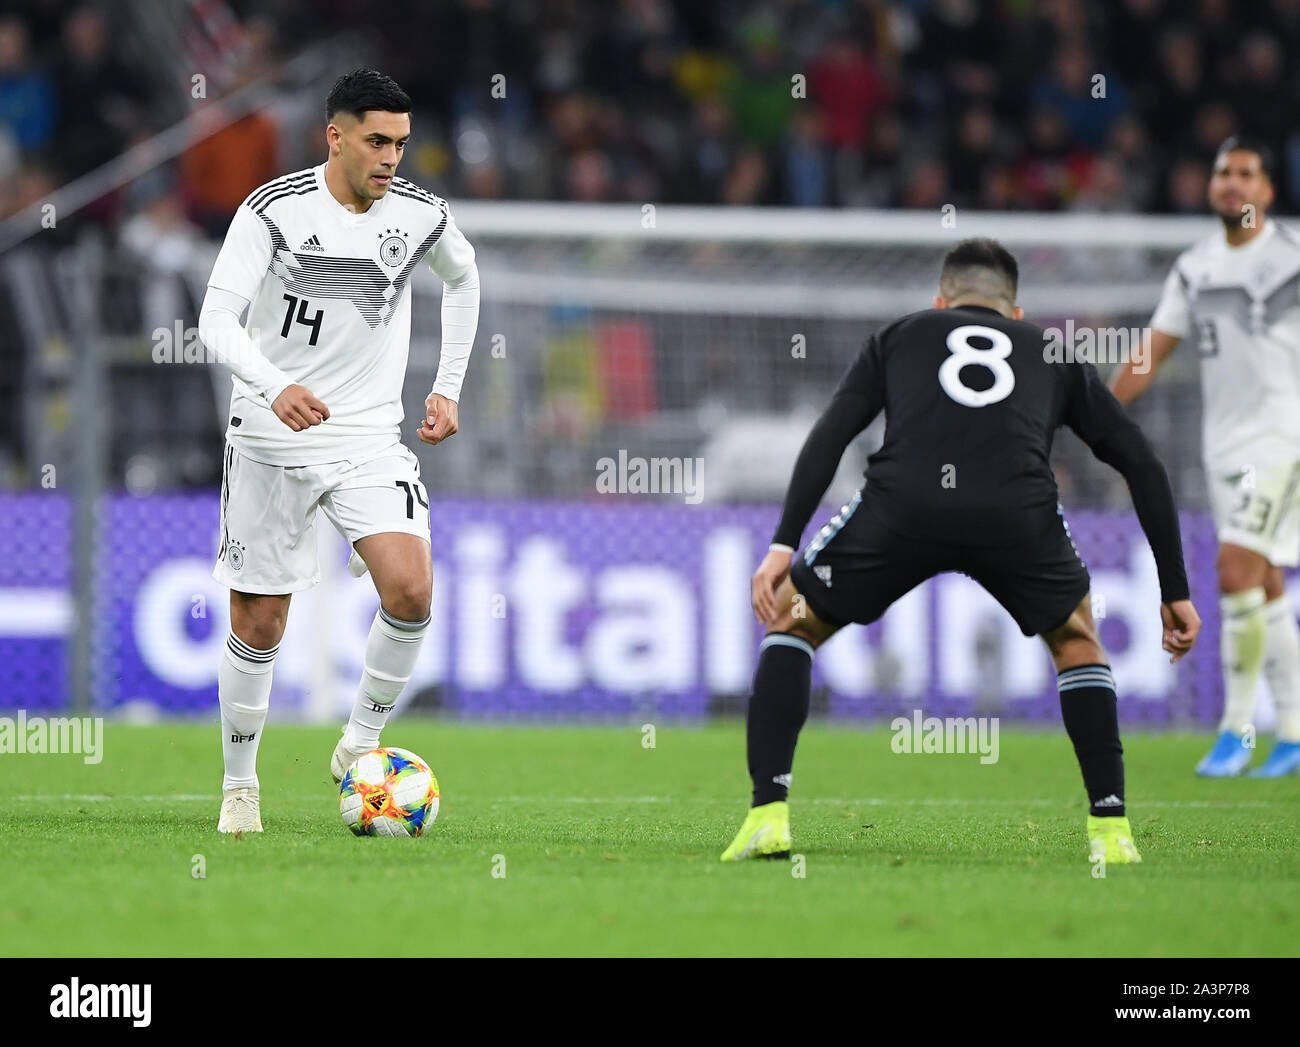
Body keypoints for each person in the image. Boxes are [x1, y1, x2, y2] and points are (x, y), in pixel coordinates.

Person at [723, 238, 1200, 865]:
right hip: (1015, 512)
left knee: (792, 621)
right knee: (1077, 641)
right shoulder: (1053, 351)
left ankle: (767, 815)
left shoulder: (900, 334)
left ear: (941, 300)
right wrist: (1174, 590)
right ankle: (1111, 832)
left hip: (904, 506)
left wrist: (783, 543)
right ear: (1017, 313)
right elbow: (1142, 463)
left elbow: (831, 433)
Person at [197, 69, 480, 832]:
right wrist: (271, 382)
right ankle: (239, 784)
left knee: (412, 590)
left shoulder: (419, 216)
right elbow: (216, 321)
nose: (392, 157)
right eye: (377, 141)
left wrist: (447, 384)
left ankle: (361, 739)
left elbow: (464, 276)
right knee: (260, 623)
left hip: (366, 436)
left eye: (401, 143)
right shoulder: (275, 212)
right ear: (337, 136)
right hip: (270, 433)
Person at [1110, 136, 1300, 778]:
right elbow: (1151, 354)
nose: (1232, 184)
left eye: (1247, 173)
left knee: (1233, 568)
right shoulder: (1195, 267)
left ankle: (1237, 732)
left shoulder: (1294, 258)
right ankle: (1296, 734)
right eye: (1223, 173)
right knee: (1263, 582)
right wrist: (1098, 415)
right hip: (1223, 446)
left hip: (1282, 438)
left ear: (1268, 191)